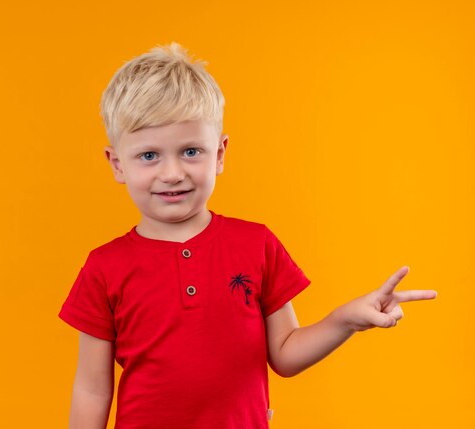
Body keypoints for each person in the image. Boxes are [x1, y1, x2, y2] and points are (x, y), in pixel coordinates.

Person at [58, 42, 437, 429]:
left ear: (220, 154)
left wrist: (346, 320)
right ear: (117, 164)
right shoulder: (104, 267)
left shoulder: (256, 244)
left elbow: (286, 355)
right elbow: (92, 389)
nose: (172, 173)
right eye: (149, 156)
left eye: (191, 151)